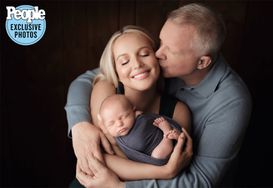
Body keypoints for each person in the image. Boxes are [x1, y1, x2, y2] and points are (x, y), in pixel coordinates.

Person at [65, 3, 252, 187]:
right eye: (160, 42)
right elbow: (90, 78)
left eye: (169, 50)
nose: (157, 54)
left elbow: (200, 180)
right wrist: (79, 125)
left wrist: (119, 187)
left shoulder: (231, 103)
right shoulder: (156, 67)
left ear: (202, 62)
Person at [67, 25, 192, 187]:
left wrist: (167, 169)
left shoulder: (178, 111)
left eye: (145, 54)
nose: (137, 64)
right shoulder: (106, 90)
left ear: (157, 56)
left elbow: (177, 164)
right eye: (124, 61)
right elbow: (103, 158)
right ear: (115, 70)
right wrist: (164, 171)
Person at [98, 94, 183, 166]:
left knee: (158, 155)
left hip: (161, 146)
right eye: (111, 123)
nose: (119, 124)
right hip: (151, 160)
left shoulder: (142, 121)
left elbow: (148, 119)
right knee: (157, 156)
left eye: (124, 117)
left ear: (134, 112)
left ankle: (167, 134)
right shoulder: (113, 136)